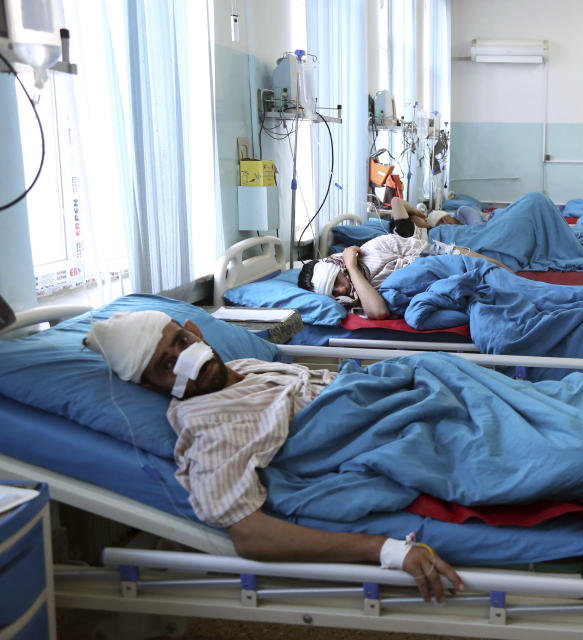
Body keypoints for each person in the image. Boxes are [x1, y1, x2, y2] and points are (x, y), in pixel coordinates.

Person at [82, 310, 464, 603]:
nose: (186, 359)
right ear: (152, 386)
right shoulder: (208, 427)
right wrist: (385, 549)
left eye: (181, 342)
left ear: (194, 331)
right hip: (403, 432)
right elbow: (249, 536)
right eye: (167, 365)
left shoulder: (244, 368)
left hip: (405, 397)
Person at [298, 202, 512, 319]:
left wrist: (423, 216)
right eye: (334, 293)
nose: (341, 291)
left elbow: (439, 253)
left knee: (501, 275)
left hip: (441, 256)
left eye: (337, 283)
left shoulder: (380, 245)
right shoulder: (352, 297)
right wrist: (352, 268)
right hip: (442, 280)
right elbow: (378, 311)